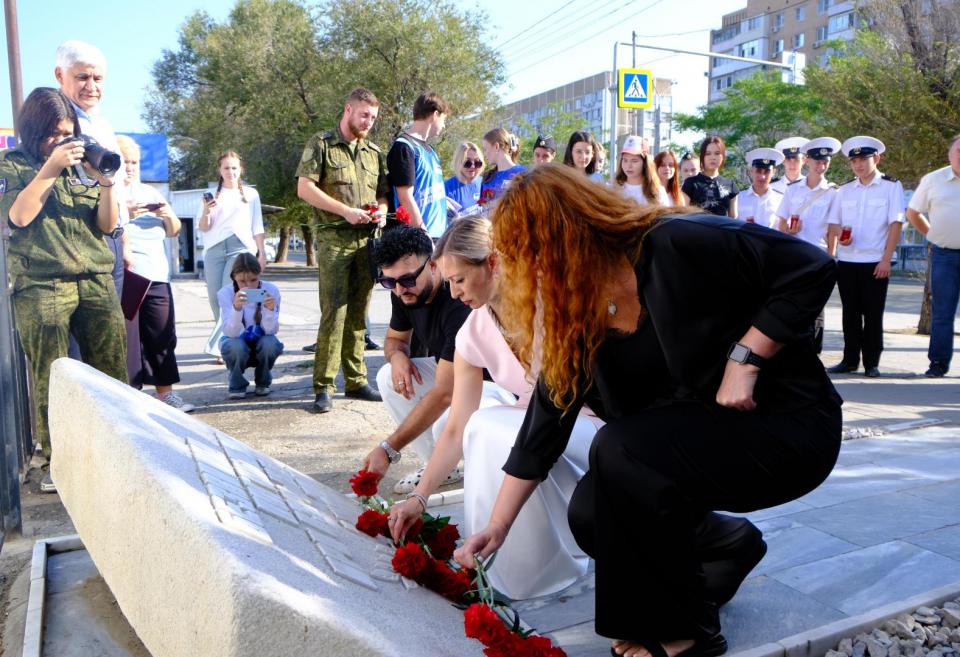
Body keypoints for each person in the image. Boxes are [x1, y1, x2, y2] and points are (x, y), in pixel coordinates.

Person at [455, 163, 841, 657]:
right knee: (593, 511)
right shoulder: (576, 305)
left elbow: (810, 266)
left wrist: (746, 357)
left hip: (786, 427)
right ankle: (725, 548)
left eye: (530, 253)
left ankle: (688, 634)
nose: (526, 271)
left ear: (567, 234)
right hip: (698, 442)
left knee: (619, 448)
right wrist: (498, 525)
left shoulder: (676, 241)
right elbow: (547, 418)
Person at [386, 216, 600, 599]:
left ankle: (524, 567)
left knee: (489, 426)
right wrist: (419, 497)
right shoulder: (474, 330)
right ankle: (503, 563)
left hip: (592, 423)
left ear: (493, 263)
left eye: (460, 280)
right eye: (449, 282)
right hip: (540, 431)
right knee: (477, 426)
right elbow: (455, 427)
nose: (454, 293)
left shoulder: (550, 300)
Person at [0, 88, 128, 492]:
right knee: (54, 376)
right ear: (34, 130)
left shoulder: (81, 164)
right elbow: (19, 217)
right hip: (42, 282)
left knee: (112, 371)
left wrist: (106, 184)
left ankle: (123, 453)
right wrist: (51, 168)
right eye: (53, 133)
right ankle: (61, 464)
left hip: (95, 277)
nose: (62, 141)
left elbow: (106, 226)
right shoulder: (13, 164)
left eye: (68, 132)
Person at [361, 225, 515, 494]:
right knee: (388, 376)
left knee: (448, 421)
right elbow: (395, 340)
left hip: (497, 383)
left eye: (407, 279)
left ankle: (476, 471)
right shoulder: (403, 290)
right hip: (459, 371)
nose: (399, 289)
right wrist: (397, 356)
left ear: (433, 266)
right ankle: (439, 466)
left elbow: (446, 392)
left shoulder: (462, 303)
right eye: (389, 283)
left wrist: (389, 448)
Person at [296, 88, 388, 413]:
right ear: (348, 110)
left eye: (373, 117)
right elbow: (305, 188)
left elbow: (383, 194)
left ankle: (356, 380)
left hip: (366, 240)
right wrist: (345, 211)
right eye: (364, 115)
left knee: (360, 311)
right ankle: (324, 386)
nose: (368, 122)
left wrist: (381, 212)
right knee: (334, 312)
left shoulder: (374, 152)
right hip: (334, 239)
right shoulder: (321, 144)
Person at [115, 135, 194, 413]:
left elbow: (173, 230)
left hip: (157, 275)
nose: (130, 167)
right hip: (128, 276)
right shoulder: (109, 192)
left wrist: (166, 214)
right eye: (125, 162)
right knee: (129, 342)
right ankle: (129, 399)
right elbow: (103, 227)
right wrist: (125, 213)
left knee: (162, 336)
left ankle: (166, 395)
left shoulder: (151, 192)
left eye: (134, 162)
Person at [54, 41, 129, 301]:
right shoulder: (53, 123)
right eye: (82, 77)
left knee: (111, 324)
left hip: (112, 237)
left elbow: (115, 183)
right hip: (81, 240)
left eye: (98, 78)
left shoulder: (102, 123)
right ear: (60, 75)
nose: (91, 86)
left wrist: (124, 237)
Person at [826, 136, 904, 378]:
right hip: (848, 261)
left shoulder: (891, 186)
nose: (858, 165)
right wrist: (841, 237)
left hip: (875, 261)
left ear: (876, 159)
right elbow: (833, 223)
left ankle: (871, 362)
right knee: (849, 314)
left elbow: (896, 224)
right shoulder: (844, 190)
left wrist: (886, 259)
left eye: (863, 159)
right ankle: (849, 360)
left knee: (872, 314)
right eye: (854, 161)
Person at [197, 151, 266, 360]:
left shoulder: (251, 194)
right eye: (226, 168)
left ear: (240, 169)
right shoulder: (210, 194)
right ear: (220, 170)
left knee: (229, 294)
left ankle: (225, 345)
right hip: (214, 249)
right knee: (215, 298)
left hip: (240, 248)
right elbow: (204, 227)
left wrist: (261, 253)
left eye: (234, 168)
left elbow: (257, 226)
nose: (230, 172)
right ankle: (227, 340)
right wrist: (206, 211)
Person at [906, 134, 960, 377]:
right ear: (949, 154)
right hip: (944, 255)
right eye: (959, 150)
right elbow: (913, 213)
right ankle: (938, 363)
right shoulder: (933, 180)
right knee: (942, 313)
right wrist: (932, 234)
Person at [218, 253, 284, 399]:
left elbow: (271, 331)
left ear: (259, 275)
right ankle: (237, 384)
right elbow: (231, 333)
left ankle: (263, 381)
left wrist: (269, 310)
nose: (248, 286)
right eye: (242, 281)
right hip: (236, 341)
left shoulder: (271, 290)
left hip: (262, 341)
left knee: (270, 343)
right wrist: (236, 309)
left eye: (253, 280)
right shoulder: (225, 293)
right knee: (234, 346)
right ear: (234, 278)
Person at [388, 92, 449, 239]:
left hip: (439, 236)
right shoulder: (404, 147)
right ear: (435, 114)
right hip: (418, 238)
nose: (444, 125)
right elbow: (405, 197)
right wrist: (424, 236)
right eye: (444, 119)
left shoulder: (431, 151)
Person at [682, 136, 739, 217]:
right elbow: (684, 214)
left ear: (722, 156)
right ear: (702, 157)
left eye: (717, 153)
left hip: (722, 225)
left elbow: (733, 218)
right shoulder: (690, 183)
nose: (713, 157)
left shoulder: (730, 185)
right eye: (708, 154)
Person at [737, 148, 784, 229]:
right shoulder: (738, 198)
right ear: (751, 171)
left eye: (767, 172)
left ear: (773, 172)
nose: (762, 176)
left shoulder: (781, 200)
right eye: (758, 171)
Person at [616, 135, 668, 206]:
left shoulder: (658, 192)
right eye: (625, 160)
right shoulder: (613, 189)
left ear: (645, 163)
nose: (629, 165)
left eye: (634, 161)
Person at [479, 128, 525, 202]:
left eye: (485, 149)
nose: (484, 154)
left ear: (496, 147)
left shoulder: (524, 173)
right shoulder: (487, 178)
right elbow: (482, 205)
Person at [443, 142, 483, 214]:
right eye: (467, 163)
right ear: (458, 162)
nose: (473, 166)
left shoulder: (485, 183)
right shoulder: (447, 188)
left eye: (477, 162)